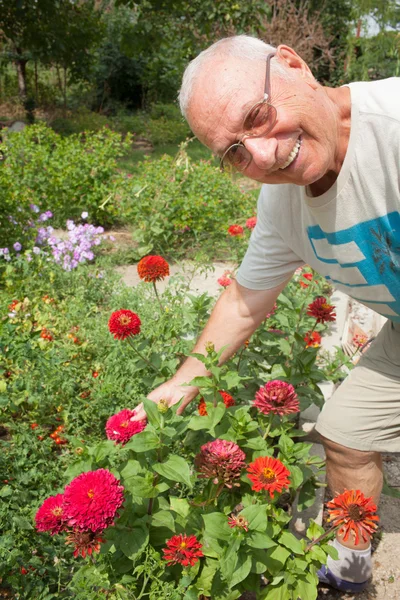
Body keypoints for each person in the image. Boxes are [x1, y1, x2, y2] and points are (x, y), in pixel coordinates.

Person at [133, 35, 400, 592]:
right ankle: (347, 571)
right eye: (234, 152)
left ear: (293, 64)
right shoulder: (282, 205)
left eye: (257, 116)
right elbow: (246, 297)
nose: (261, 153)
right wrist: (182, 383)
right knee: (346, 435)